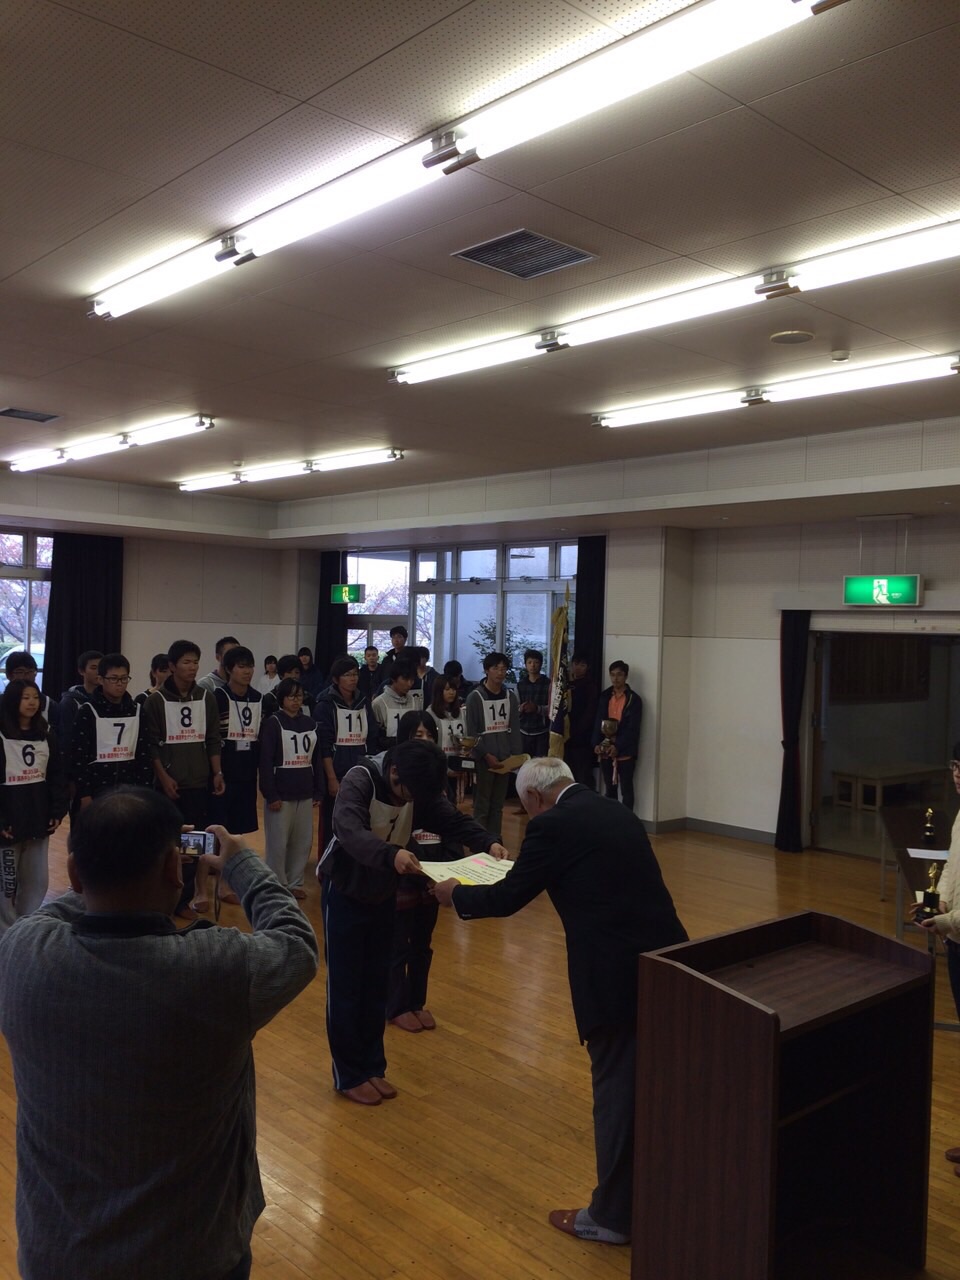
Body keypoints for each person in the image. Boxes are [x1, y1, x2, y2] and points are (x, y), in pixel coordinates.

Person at [0, 786, 318, 1280]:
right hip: (193, 1257)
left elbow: (55, 910)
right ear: (176, 868)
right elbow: (296, 943)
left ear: (76, 873)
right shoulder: (216, 970)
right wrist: (242, 864)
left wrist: (102, 869)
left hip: (57, 1254)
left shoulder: (20, 953)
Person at [432, 756, 687, 1245]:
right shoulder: (614, 810)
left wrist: (456, 895)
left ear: (533, 797)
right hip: (669, 963)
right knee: (652, 1083)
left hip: (613, 978)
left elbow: (508, 898)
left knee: (616, 1092)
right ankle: (656, 1191)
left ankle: (611, 1217)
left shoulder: (551, 827)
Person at [319, 739, 502, 1105]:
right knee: (346, 985)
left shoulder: (416, 785)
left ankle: (373, 1067)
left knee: (377, 983)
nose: (409, 802)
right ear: (394, 772)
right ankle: (349, 1074)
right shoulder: (360, 779)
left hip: (383, 891)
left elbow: (449, 818)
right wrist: (391, 855)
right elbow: (349, 831)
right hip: (345, 890)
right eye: (407, 794)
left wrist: (487, 841)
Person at [385, 711, 506, 1034]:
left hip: (433, 875)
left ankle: (416, 1002)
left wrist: (487, 843)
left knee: (423, 944)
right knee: (397, 944)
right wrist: (418, 863)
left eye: (429, 735)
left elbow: (454, 824)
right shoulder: (390, 783)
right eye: (417, 736)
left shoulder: (436, 783)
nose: (424, 740)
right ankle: (396, 1006)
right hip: (404, 871)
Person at [142, 639, 225, 916]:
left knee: (193, 846)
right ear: (172, 666)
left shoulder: (206, 697)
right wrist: (163, 777)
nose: (192, 667)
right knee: (166, 844)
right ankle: (158, 897)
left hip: (198, 782)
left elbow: (213, 738)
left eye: (196, 662)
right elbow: (151, 745)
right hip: (168, 785)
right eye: (186, 662)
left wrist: (217, 772)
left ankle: (183, 899)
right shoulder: (156, 701)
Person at [913, 742, 960, 1178]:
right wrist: (936, 903)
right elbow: (950, 871)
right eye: (956, 765)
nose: (958, 774)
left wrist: (945, 921)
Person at [0, 680, 68, 933]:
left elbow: (57, 775)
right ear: (12, 701)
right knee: (7, 884)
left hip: (38, 818)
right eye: (25, 697)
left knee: (37, 881)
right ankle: (6, 933)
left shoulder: (46, 734)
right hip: (9, 824)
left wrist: (57, 810)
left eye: (35, 697)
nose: (32, 702)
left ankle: (25, 928)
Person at [259, 678, 323, 899]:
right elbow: (265, 761)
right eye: (291, 696)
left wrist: (319, 790)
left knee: (302, 841)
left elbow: (316, 759)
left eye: (299, 696)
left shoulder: (310, 723)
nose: (296, 700)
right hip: (281, 794)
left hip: (304, 791)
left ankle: (295, 882)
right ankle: (276, 884)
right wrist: (270, 794)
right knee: (278, 842)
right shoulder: (273, 723)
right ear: (282, 699)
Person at [314, 656, 377, 848]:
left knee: (359, 818)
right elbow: (323, 746)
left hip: (360, 770)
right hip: (337, 771)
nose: (353, 678)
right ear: (336, 679)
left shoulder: (363, 702)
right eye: (348, 675)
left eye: (355, 674)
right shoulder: (325, 704)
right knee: (333, 821)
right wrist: (331, 778)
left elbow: (372, 737)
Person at [72, 653, 152, 804]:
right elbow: (78, 756)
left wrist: (145, 791)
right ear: (101, 679)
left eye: (124, 678)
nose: (119, 683)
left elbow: (144, 754)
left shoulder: (137, 710)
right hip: (97, 790)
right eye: (114, 679)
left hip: (130, 790)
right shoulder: (87, 711)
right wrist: (84, 794)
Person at [464, 651, 522, 841]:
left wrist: (515, 756)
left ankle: (495, 840)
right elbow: (471, 732)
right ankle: (480, 842)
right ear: (487, 670)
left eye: (504, 669)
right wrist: (485, 754)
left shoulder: (510, 697)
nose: (500, 672)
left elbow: (514, 728)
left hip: (505, 758)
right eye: (496, 668)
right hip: (484, 759)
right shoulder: (475, 697)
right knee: (482, 804)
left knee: (498, 804)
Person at [212, 645, 262, 837]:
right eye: (241, 666)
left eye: (250, 666)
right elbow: (212, 738)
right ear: (229, 669)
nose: (247, 671)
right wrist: (217, 771)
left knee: (241, 829)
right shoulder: (218, 697)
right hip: (225, 771)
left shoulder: (258, 698)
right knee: (220, 827)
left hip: (248, 773)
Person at [592, 660, 642, 810]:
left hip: (625, 751)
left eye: (619, 675)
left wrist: (618, 746)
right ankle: (611, 819)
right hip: (606, 749)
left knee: (626, 789)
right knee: (609, 788)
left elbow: (632, 728)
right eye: (612, 675)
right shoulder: (605, 696)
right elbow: (598, 721)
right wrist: (596, 743)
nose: (615, 678)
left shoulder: (634, 699)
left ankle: (627, 821)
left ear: (626, 676)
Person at [564, 652, 599, 787]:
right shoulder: (566, 685)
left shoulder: (590, 686)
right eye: (576, 664)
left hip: (582, 737)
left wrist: (577, 730)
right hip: (566, 737)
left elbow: (590, 712)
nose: (578, 668)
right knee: (568, 774)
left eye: (582, 665)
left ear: (587, 667)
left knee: (583, 774)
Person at [4, 652, 60, 729]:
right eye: (20, 672)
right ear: (8, 675)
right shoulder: (2, 702)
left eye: (30, 671)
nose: (26, 677)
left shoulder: (49, 705)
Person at [372, 657, 417, 749]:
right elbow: (375, 736)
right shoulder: (378, 703)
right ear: (394, 679)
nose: (409, 684)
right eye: (405, 679)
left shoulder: (414, 701)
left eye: (412, 680)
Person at [517, 648, 551, 759]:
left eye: (536, 662)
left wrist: (537, 708)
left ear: (541, 664)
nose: (533, 665)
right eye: (529, 662)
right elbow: (514, 708)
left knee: (540, 764)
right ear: (525, 664)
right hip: (523, 731)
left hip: (542, 732)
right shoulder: (520, 684)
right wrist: (521, 708)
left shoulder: (548, 684)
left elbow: (553, 708)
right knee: (523, 763)